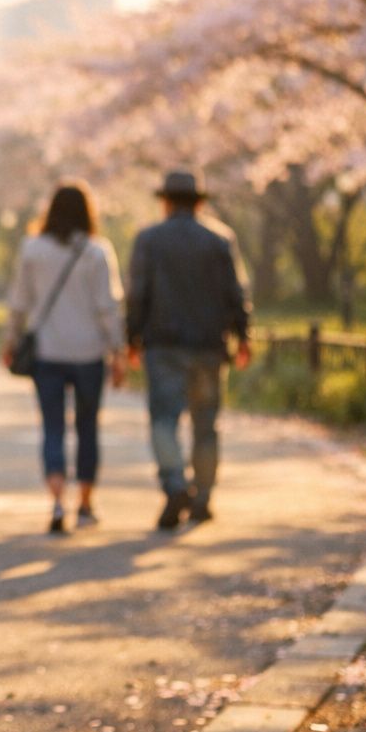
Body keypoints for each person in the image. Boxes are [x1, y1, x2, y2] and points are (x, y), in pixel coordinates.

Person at [126, 169, 252, 531]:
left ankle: (175, 485)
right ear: (198, 203)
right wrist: (244, 335)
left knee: (164, 420)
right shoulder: (219, 239)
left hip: (163, 344)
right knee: (206, 424)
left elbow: (137, 293)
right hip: (209, 345)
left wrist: (132, 337)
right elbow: (236, 292)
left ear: (166, 201)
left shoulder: (149, 240)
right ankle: (203, 498)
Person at [3, 181, 126, 534]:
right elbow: (108, 308)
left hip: (48, 352)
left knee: (53, 427)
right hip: (89, 353)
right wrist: (118, 350)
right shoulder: (97, 251)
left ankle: (57, 502)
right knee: (88, 427)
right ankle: (85, 504)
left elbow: (19, 302)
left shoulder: (33, 249)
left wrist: (10, 340)